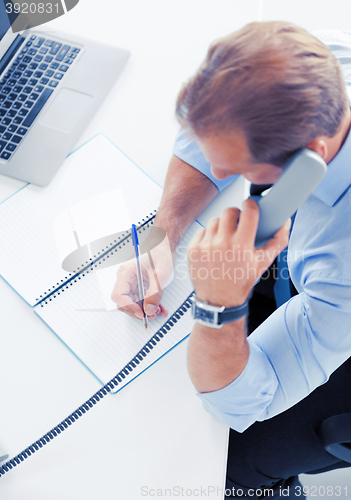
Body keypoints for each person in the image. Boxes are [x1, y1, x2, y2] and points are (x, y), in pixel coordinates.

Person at [112, 21, 351, 498]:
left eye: (238, 169)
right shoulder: (315, 68)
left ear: (313, 159)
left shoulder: (342, 267)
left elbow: (240, 405)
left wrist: (218, 305)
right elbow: (201, 142)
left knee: (221, 466)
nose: (219, 176)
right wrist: (166, 232)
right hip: (310, 270)